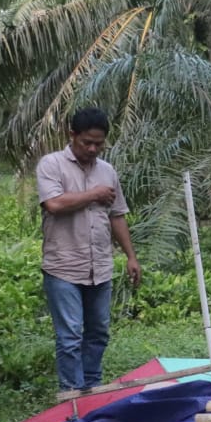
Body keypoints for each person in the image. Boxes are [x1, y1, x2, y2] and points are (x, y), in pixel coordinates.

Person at [36, 107, 140, 391]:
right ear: (72, 135)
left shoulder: (107, 171)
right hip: (63, 267)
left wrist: (131, 256)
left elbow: (117, 215)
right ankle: (72, 394)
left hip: (100, 267)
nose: (93, 149)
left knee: (98, 333)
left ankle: (92, 390)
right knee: (70, 336)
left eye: (99, 143)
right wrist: (94, 194)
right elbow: (54, 204)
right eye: (87, 143)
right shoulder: (51, 165)